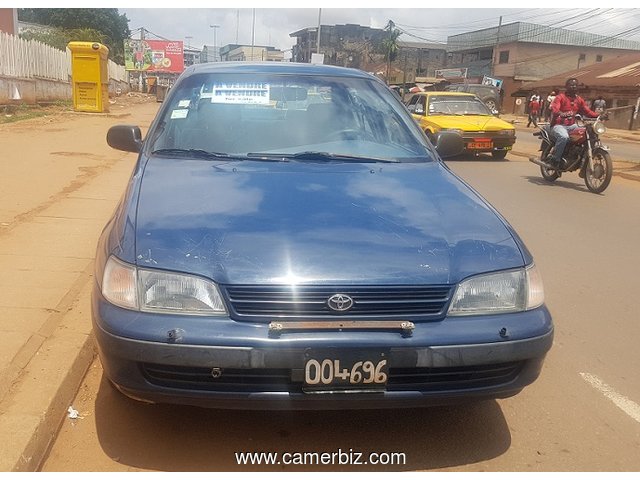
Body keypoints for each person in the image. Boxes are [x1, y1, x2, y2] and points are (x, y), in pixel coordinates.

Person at [549, 78, 600, 167]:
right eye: (571, 85)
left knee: (587, 133)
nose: (574, 87)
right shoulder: (560, 97)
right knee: (564, 137)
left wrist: (598, 115)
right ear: (566, 87)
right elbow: (555, 109)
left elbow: (587, 111)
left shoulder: (579, 99)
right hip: (559, 125)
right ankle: (555, 159)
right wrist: (561, 113)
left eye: (575, 85)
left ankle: (582, 156)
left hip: (572, 125)